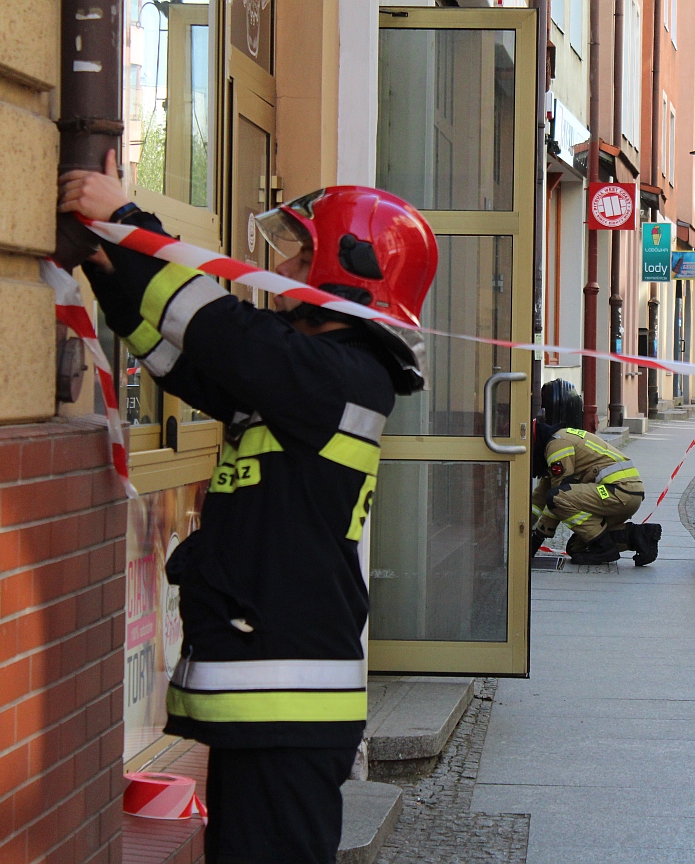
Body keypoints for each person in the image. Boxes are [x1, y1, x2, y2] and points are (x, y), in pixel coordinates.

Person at [58, 152, 434, 864]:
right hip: (273, 703)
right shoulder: (309, 377)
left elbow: (221, 330)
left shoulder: (338, 375)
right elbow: (193, 361)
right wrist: (112, 271)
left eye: (300, 259)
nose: (282, 274)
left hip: (286, 703)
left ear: (349, 272)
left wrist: (130, 224)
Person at [530, 424, 661, 565]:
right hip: (624, 494)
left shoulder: (557, 445)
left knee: (557, 497)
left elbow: (557, 497)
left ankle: (604, 548)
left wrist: (538, 536)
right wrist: (520, 531)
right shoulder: (556, 441)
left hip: (617, 491)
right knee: (576, 548)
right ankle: (639, 535)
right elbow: (539, 499)